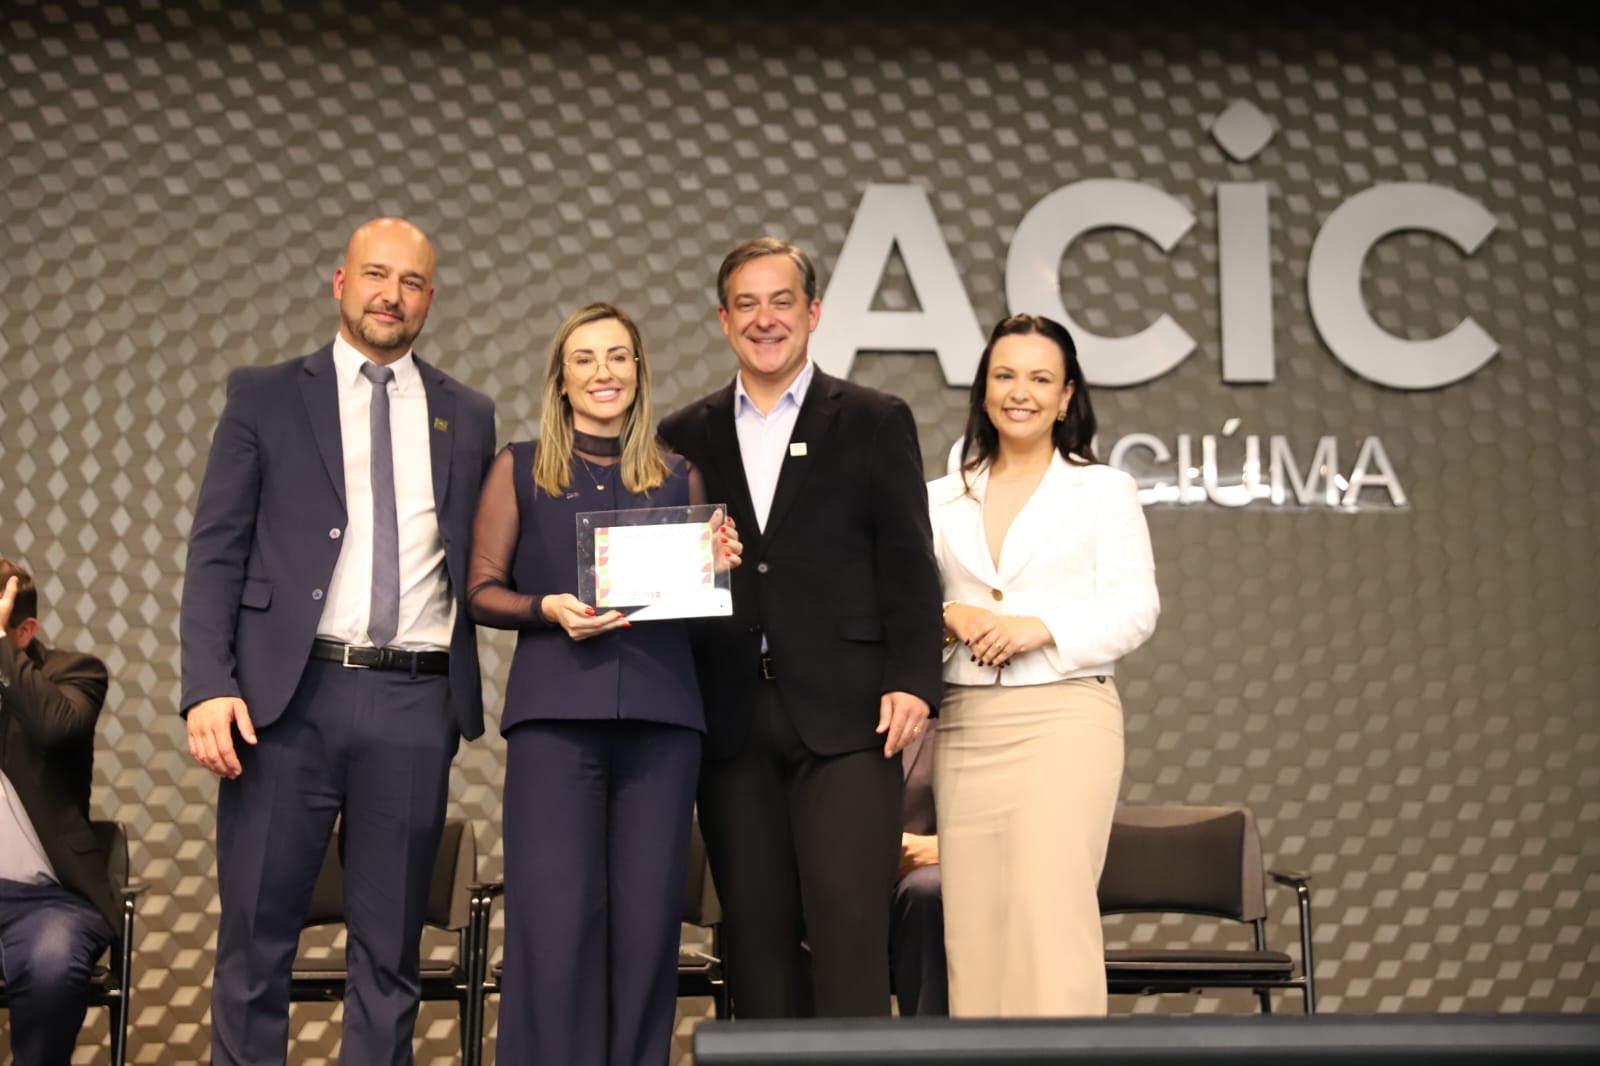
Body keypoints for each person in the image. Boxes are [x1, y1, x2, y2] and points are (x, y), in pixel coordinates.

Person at [179, 217, 497, 1065]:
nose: (392, 296)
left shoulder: (468, 413)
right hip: (286, 704)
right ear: (340, 283)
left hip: (415, 702)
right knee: (255, 944)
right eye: (376, 276)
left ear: (430, 298)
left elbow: (497, 548)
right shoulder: (265, 395)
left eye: (412, 282)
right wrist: (208, 683)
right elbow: (215, 550)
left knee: (389, 958)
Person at [658, 237, 943, 1019]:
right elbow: (674, 577)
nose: (765, 319)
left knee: (851, 933)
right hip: (729, 718)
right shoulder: (683, 435)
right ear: (723, 320)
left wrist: (914, 680)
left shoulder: (875, 420)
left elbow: (909, 561)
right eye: (746, 304)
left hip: (850, 716)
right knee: (755, 943)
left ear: (813, 313)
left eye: (782, 301)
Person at [467, 302, 741, 1065]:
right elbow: (481, 588)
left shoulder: (679, 475)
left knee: (648, 929)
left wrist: (716, 567)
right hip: (555, 724)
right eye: (584, 359)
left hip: (662, 725)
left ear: (639, 371)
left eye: (618, 357)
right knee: (555, 927)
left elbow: (699, 612)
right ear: (561, 379)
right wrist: (546, 609)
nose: (603, 373)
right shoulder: (520, 468)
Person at [928, 313, 1159, 1017]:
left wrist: (1041, 628)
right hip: (967, 725)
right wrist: (949, 615)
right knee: (975, 928)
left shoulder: (1103, 490)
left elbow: (1136, 610)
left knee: (1049, 914)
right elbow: (907, 603)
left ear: (1066, 396)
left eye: (1039, 378)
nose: (1019, 392)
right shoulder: (939, 496)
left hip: (1065, 719)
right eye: (1004, 375)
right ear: (984, 389)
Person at [0, 560, 115, 1066]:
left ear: (24, 631)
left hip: (50, 901)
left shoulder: (75, 673)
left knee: (52, 967)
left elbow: (54, 727)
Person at [890, 719, 947, 1018]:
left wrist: (944, 850)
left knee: (926, 889)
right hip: (840, 868)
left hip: (924, 880)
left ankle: (930, 1038)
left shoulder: (951, 717)